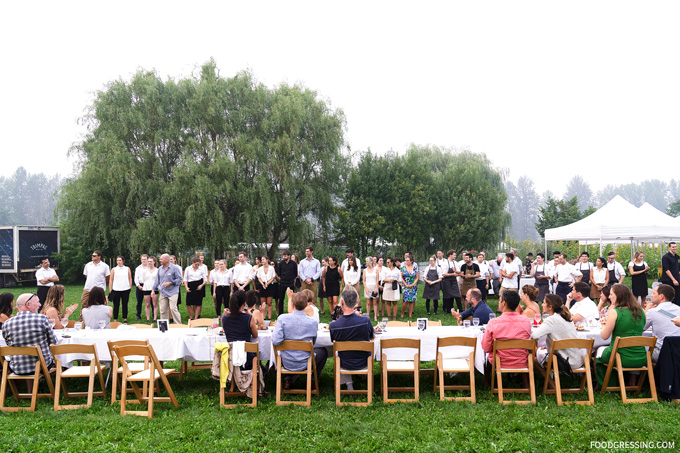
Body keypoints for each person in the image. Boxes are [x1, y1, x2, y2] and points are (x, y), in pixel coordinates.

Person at [273, 290, 327, 389]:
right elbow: (313, 343)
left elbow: (276, 341)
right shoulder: (312, 323)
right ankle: (312, 380)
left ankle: (288, 380)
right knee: (323, 352)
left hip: (286, 361)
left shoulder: (282, 319)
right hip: (305, 361)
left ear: (292, 305)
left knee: (287, 351)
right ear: (307, 304)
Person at [595, 284, 647, 386]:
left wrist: (604, 324)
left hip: (619, 356)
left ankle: (605, 385)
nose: (609, 297)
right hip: (641, 357)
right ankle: (630, 381)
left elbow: (604, 336)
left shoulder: (615, 312)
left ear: (619, 296)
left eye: (611, 294)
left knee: (598, 353)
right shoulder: (641, 311)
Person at [531, 294, 584, 382]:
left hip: (564, 362)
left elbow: (535, 336)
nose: (542, 305)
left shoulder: (551, 320)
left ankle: (552, 386)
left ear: (550, 307)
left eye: (544, 303)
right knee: (544, 352)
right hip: (578, 359)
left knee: (535, 360)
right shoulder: (567, 317)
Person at [329, 287, 374, 390]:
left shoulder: (333, 326)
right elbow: (372, 336)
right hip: (364, 361)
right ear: (356, 303)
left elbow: (334, 341)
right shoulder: (366, 321)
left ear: (341, 302)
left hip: (344, 363)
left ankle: (349, 384)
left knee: (338, 352)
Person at [2, 293, 57, 376]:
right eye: (37, 302)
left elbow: (8, 344)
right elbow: (53, 342)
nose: (40, 304)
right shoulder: (42, 319)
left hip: (17, 368)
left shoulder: (6, 324)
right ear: (28, 304)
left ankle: (30, 389)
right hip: (42, 366)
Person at [481, 290, 532, 370]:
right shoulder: (526, 321)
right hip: (521, 361)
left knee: (488, 358)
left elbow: (486, 347)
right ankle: (524, 381)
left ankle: (487, 381)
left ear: (504, 303)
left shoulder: (493, 323)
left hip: (500, 361)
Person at [221, 291, 260, 373]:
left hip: (230, 356)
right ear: (244, 303)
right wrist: (248, 314)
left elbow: (226, 330)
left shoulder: (224, 319)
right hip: (247, 357)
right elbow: (255, 335)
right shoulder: (249, 318)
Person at [643, 284, 680, 361]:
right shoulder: (679, 309)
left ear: (661, 296)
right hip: (677, 351)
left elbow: (640, 328)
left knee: (636, 349)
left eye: (653, 293)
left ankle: (634, 373)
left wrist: (646, 310)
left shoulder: (652, 311)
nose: (652, 295)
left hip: (661, 353)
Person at [153, 253, 183, 324]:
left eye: (161, 259)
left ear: (167, 260)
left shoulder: (175, 268)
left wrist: (171, 282)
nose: (160, 260)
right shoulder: (160, 269)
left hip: (173, 292)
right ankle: (164, 328)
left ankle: (179, 325)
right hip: (163, 292)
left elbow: (179, 279)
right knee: (163, 310)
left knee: (173, 308)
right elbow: (157, 280)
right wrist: (153, 290)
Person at [108, 255, 132, 323]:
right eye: (117, 260)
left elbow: (130, 278)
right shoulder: (114, 269)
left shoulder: (127, 269)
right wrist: (110, 289)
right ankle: (115, 318)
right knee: (116, 305)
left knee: (125, 304)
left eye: (120, 260)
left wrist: (129, 287)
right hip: (116, 290)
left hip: (125, 289)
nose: (118, 262)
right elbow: (111, 280)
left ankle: (125, 318)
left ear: (123, 261)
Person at [184, 256, 207, 320]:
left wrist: (201, 285)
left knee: (198, 303)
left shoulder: (201, 269)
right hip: (190, 285)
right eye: (196, 264)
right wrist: (186, 287)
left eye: (198, 265)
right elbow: (185, 279)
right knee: (188, 303)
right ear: (192, 262)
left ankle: (196, 318)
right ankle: (191, 317)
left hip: (199, 285)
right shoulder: (188, 269)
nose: (197, 266)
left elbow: (205, 280)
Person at [277, 250, 298, 316]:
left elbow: (295, 274)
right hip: (282, 283)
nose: (284, 257)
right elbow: (279, 273)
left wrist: (291, 279)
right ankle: (280, 314)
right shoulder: (281, 264)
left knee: (292, 299)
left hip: (290, 283)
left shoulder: (293, 264)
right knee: (281, 299)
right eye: (283, 256)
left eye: (285, 256)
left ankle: (292, 312)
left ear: (289, 256)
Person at [400, 253, 419, 319]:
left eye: (408, 260)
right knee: (406, 300)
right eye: (406, 260)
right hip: (405, 286)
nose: (406, 261)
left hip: (413, 286)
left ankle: (410, 314)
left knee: (411, 300)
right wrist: (405, 284)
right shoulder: (403, 268)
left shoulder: (415, 268)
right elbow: (401, 277)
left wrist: (413, 284)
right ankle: (402, 313)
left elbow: (417, 278)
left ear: (411, 261)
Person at [142, 256, 159, 321]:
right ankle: (148, 318)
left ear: (154, 262)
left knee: (154, 304)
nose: (149, 263)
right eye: (148, 261)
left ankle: (155, 318)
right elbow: (143, 279)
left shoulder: (157, 270)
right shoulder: (145, 271)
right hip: (146, 288)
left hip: (155, 288)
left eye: (151, 261)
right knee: (147, 304)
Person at [363, 257, 380, 321]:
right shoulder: (365, 270)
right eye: (366, 261)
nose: (366, 263)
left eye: (367, 261)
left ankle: (375, 316)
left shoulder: (376, 269)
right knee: (368, 302)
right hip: (367, 287)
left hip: (374, 287)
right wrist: (366, 288)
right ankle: (368, 315)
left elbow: (377, 279)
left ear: (370, 262)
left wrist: (376, 288)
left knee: (375, 302)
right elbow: (364, 280)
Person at [133, 254, 148, 320]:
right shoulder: (138, 268)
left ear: (147, 259)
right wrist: (138, 285)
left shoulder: (150, 267)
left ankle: (153, 315)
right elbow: (136, 278)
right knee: (139, 301)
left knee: (150, 302)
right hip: (140, 285)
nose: (143, 260)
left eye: (145, 259)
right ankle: (138, 314)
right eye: (142, 259)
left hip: (148, 285)